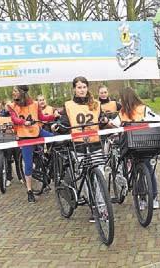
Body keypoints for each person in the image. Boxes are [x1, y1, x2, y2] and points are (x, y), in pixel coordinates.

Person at [57, 76, 108, 222]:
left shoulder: (96, 104)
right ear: (74, 89)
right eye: (79, 87)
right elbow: (65, 122)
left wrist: (104, 120)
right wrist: (59, 126)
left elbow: (101, 119)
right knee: (85, 178)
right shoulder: (68, 105)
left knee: (100, 177)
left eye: (84, 87)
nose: (82, 90)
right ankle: (93, 207)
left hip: (95, 144)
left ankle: (102, 208)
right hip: (78, 145)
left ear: (87, 88)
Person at [110, 87, 160, 210]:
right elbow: (157, 119)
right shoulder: (144, 108)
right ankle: (154, 198)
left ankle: (142, 199)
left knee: (135, 173)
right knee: (149, 170)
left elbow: (114, 124)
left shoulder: (122, 112)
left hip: (131, 146)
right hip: (147, 143)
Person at [7, 85, 56, 203]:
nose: (13, 93)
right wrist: (24, 122)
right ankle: (29, 191)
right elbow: (14, 119)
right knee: (28, 165)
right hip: (25, 136)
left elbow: (42, 117)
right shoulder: (12, 106)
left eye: (15, 91)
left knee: (56, 140)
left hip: (38, 132)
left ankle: (51, 163)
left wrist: (54, 116)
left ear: (22, 92)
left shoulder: (35, 104)